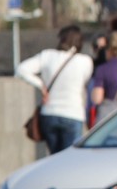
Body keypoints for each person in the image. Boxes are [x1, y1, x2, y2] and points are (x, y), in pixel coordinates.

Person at [16, 25, 93, 155]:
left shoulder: (47, 56)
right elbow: (85, 81)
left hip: (50, 113)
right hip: (72, 113)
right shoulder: (85, 61)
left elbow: (21, 69)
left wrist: (41, 85)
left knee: (55, 157)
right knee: (70, 158)